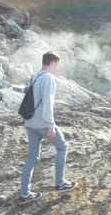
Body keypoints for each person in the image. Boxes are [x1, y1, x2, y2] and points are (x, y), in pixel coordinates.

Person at [18, 51, 75, 205]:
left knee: (32, 157)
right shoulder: (48, 78)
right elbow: (48, 103)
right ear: (51, 63)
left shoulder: (34, 76)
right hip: (43, 124)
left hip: (30, 123)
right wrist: (50, 126)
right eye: (56, 65)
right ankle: (60, 183)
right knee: (62, 147)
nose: (56, 68)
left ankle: (25, 193)